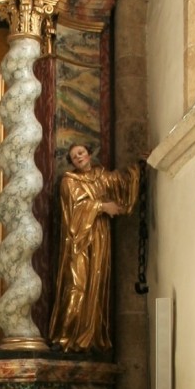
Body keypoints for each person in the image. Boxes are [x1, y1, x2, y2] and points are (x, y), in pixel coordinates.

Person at [48, 143, 141, 353]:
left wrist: (140, 166)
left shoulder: (102, 176)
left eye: (81, 153)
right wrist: (101, 206)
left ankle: (89, 338)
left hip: (99, 236)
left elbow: (124, 184)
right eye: (74, 156)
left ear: (89, 154)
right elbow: (74, 209)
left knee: (95, 284)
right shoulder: (69, 182)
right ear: (71, 162)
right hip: (77, 240)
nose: (78, 157)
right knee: (76, 285)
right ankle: (64, 336)